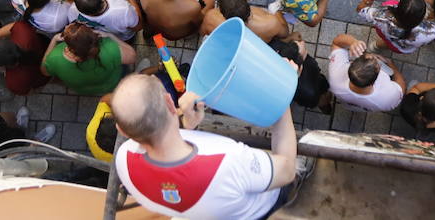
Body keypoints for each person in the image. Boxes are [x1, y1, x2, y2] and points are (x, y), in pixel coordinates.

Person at [111, 73, 297, 219]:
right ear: (170, 102)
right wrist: (281, 95)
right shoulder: (228, 159)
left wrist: (187, 123)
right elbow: (288, 169)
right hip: (265, 207)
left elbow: (155, 134)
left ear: (122, 130)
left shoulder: (123, 159)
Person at [41, 22, 135, 95]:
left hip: (83, 89)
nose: (66, 27)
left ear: (69, 45)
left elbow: (44, 71)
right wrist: (111, 36)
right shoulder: (109, 48)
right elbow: (132, 56)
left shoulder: (55, 57)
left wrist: (53, 40)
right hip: (110, 84)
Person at [327, 33, 406, 112]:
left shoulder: (334, 79)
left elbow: (336, 43)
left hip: (348, 104)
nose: (373, 57)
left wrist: (353, 42)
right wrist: (391, 65)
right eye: (378, 66)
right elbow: (401, 85)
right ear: (374, 81)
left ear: (351, 65)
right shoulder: (389, 100)